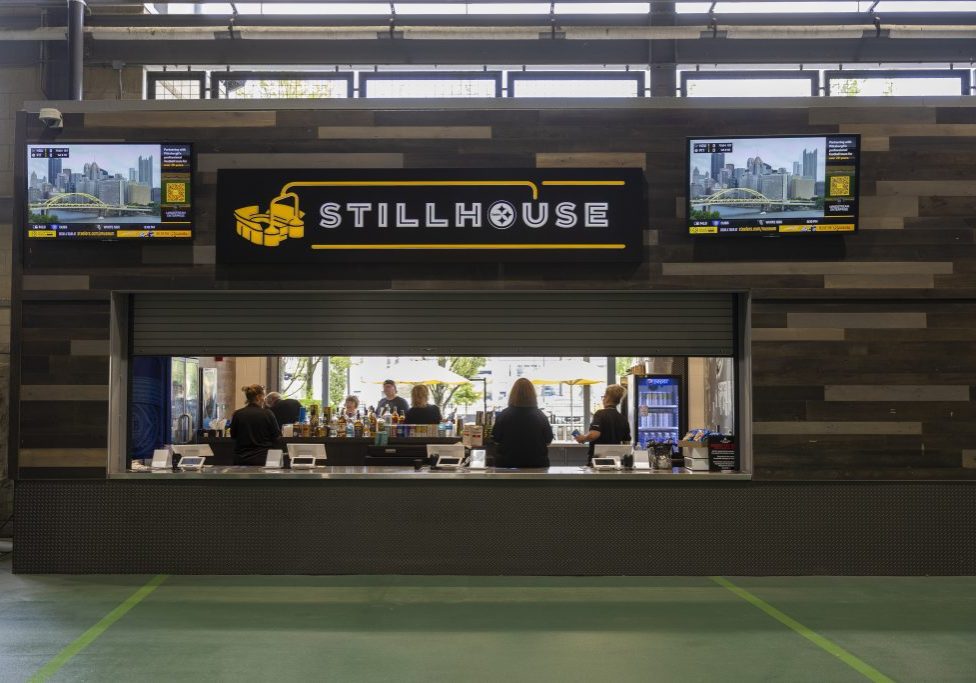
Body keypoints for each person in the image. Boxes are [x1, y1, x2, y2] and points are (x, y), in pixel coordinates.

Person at [491, 378, 553, 468]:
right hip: (536, 465)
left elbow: (496, 439)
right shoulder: (540, 415)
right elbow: (548, 440)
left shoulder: (504, 415)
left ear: (512, 394)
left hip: (507, 464)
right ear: (533, 395)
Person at [575, 384, 630, 463]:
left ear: (607, 398)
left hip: (598, 460)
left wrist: (582, 438)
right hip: (615, 461)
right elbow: (626, 442)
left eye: (604, 397)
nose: (603, 399)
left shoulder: (600, 414)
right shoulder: (623, 418)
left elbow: (594, 434)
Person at [229, 384, 281, 466]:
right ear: (258, 397)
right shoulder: (268, 414)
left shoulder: (238, 414)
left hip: (241, 459)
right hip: (263, 458)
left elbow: (233, 435)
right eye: (264, 397)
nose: (264, 400)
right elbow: (276, 435)